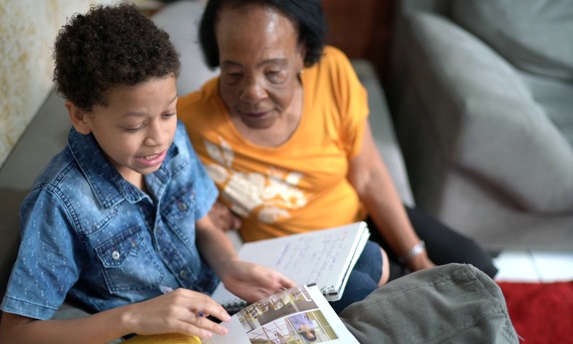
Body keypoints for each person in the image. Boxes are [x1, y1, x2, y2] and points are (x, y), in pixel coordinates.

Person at [0, 5, 297, 344]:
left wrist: (228, 264)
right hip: (156, 341)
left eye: (168, 112)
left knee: (362, 269)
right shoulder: (60, 202)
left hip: (213, 305)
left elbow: (201, 221)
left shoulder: (175, 140)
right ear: (81, 115)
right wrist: (134, 317)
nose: (159, 137)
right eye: (134, 125)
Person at [177, 0, 498, 279]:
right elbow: (151, 182)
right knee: (385, 288)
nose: (252, 93)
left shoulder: (333, 74)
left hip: (360, 220)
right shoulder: (189, 122)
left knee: (474, 264)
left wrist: (416, 256)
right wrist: (203, 208)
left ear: (303, 53)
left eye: (274, 73)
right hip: (292, 254)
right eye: (233, 74)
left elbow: (369, 175)